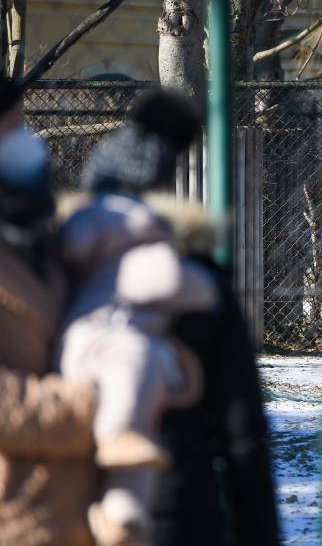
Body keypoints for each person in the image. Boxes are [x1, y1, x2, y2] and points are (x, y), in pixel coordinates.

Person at [56, 113, 220, 544]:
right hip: (175, 491)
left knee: (138, 462)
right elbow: (241, 426)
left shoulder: (50, 265)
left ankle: (121, 516)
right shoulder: (166, 259)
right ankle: (118, 442)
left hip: (62, 488)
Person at [0, 77, 98, 546]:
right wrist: (97, 405)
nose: (27, 142)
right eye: (11, 128)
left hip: (72, 517)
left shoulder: (47, 242)